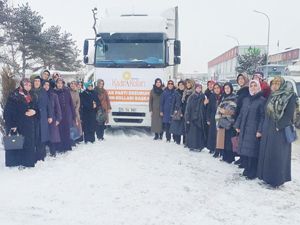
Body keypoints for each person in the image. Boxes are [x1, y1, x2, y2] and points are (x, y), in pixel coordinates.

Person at [257, 77, 297, 187]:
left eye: (277, 83)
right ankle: (266, 177)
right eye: (273, 83)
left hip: (279, 131)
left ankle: (276, 180)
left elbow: (289, 115)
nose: (275, 85)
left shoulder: (289, 96)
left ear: (282, 84)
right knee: (267, 153)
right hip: (268, 129)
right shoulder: (272, 95)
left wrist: (278, 126)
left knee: (277, 155)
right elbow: (266, 112)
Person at [234, 80, 266, 179]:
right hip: (244, 127)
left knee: (252, 150)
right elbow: (241, 114)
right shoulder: (246, 99)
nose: (252, 87)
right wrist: (237, 125)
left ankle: (252, 172)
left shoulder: (262, 100)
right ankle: (247, 169)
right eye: (251, 86)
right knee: (245, 150)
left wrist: (260, 130)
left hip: (254, 129)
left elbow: (262, 117)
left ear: (258, 87)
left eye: (254, 85)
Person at [4, 78, 38, 167]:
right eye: (26, 84)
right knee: (16, 142)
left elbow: (37, 108)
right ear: (21, 85)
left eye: (30, 85)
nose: (28, 86)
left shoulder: (32, 95)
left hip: (29, 125)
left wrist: (35, 112)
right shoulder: (14, 95)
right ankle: (15, 163)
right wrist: (12, 124)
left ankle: (28, 162)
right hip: (17, 124)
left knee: (28, 143)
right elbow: (8, 112)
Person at [215, 82, 237, 163]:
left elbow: (234, 110)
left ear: (231, 88)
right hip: (222, 122)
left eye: (228, 88)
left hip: (230, 122)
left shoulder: (234, 97)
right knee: (223, 141)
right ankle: (224, 156)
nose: (227, 90)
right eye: (225, 88)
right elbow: (218, 108)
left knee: (230, 141)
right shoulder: (223, 97)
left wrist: (225, 111)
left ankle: (230, 158)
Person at [31, 76, 52, 161]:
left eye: (38, 81)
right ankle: (35, 155)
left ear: (40, 83)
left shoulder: (44, 91)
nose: (36, 82)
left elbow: (48, 104)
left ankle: (42, 155)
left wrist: (50, 116)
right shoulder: (30, 91)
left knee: (42, 135)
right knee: (35, 135)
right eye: (35, 81)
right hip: (33, 117)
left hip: (43, 116)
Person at [55, 78, 76, 152]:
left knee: (67, 130)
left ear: (63, 84)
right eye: (58, 83)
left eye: (61, 83)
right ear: (56, 84)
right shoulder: (55, 92)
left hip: (67, 113)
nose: (60, 84)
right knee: (60, 131)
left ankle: (67, 146)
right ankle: (60, 147)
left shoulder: (67, 91)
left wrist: (74, 115)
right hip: (59, 114)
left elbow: (71, 103)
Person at [185, 83, 207, 151]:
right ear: (195, 88)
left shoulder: (203, 96)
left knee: (199, 133)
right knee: (192, 133)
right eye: (197, 88)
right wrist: (187, 118)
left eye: (200, 88)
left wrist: (205, 104)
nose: (199, 89)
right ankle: (191, 146)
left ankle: (199, 146)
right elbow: (188, 108)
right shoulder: (191, 97)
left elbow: (205, 106)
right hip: (192, 117)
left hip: (200, 117)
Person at [43, 80, 62, 157]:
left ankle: (53, 152)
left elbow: (58, 108)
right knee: (44, 135)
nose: (46, 86)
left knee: (52, 136)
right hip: (43, 118)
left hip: (53, 118)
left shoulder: (54, 95)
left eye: (48, 85)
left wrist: (58, 119)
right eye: (45, 85)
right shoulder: (39, 95)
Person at [234, 73, 250, 167]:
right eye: (239, 79)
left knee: (243, 139)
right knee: (240, 138)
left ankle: (244, 160)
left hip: (243, 117)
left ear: (246, 79)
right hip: (239, 116)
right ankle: (241, 158)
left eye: (242, 79)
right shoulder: (241, 90)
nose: (240, 80)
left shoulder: (246, 90)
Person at [207, 83, 223, 155]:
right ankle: (212, 148)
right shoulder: (212, 96)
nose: (217, 89)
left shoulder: (222, 96)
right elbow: (209, 108)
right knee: (212, 134)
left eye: (218, 88)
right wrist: (208, 118)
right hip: (213, 117)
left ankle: (218, 150)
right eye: (215, 88)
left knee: (219, 134)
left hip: (221, 117)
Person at [170, 80, 185, 144]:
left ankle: (184, 141)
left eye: (182, 85)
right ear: (178, 86)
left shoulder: (186, 92)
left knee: (183, 126)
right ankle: (177, 140)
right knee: (177, 125)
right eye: (180, 85)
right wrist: (172, 112)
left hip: (184, 110)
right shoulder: (175, 93)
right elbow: (173, 103)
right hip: (177, 110)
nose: (181, 86)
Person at [182, 79, 195, 146]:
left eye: (189, 83)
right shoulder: (184, 92)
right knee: (185, 127)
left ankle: (189, 142)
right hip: (185, 112)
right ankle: (185, 141)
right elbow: (183, 103)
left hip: (191, 112)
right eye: (187, 84)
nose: (188, 85)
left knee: (190, 128)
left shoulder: (193, 93)